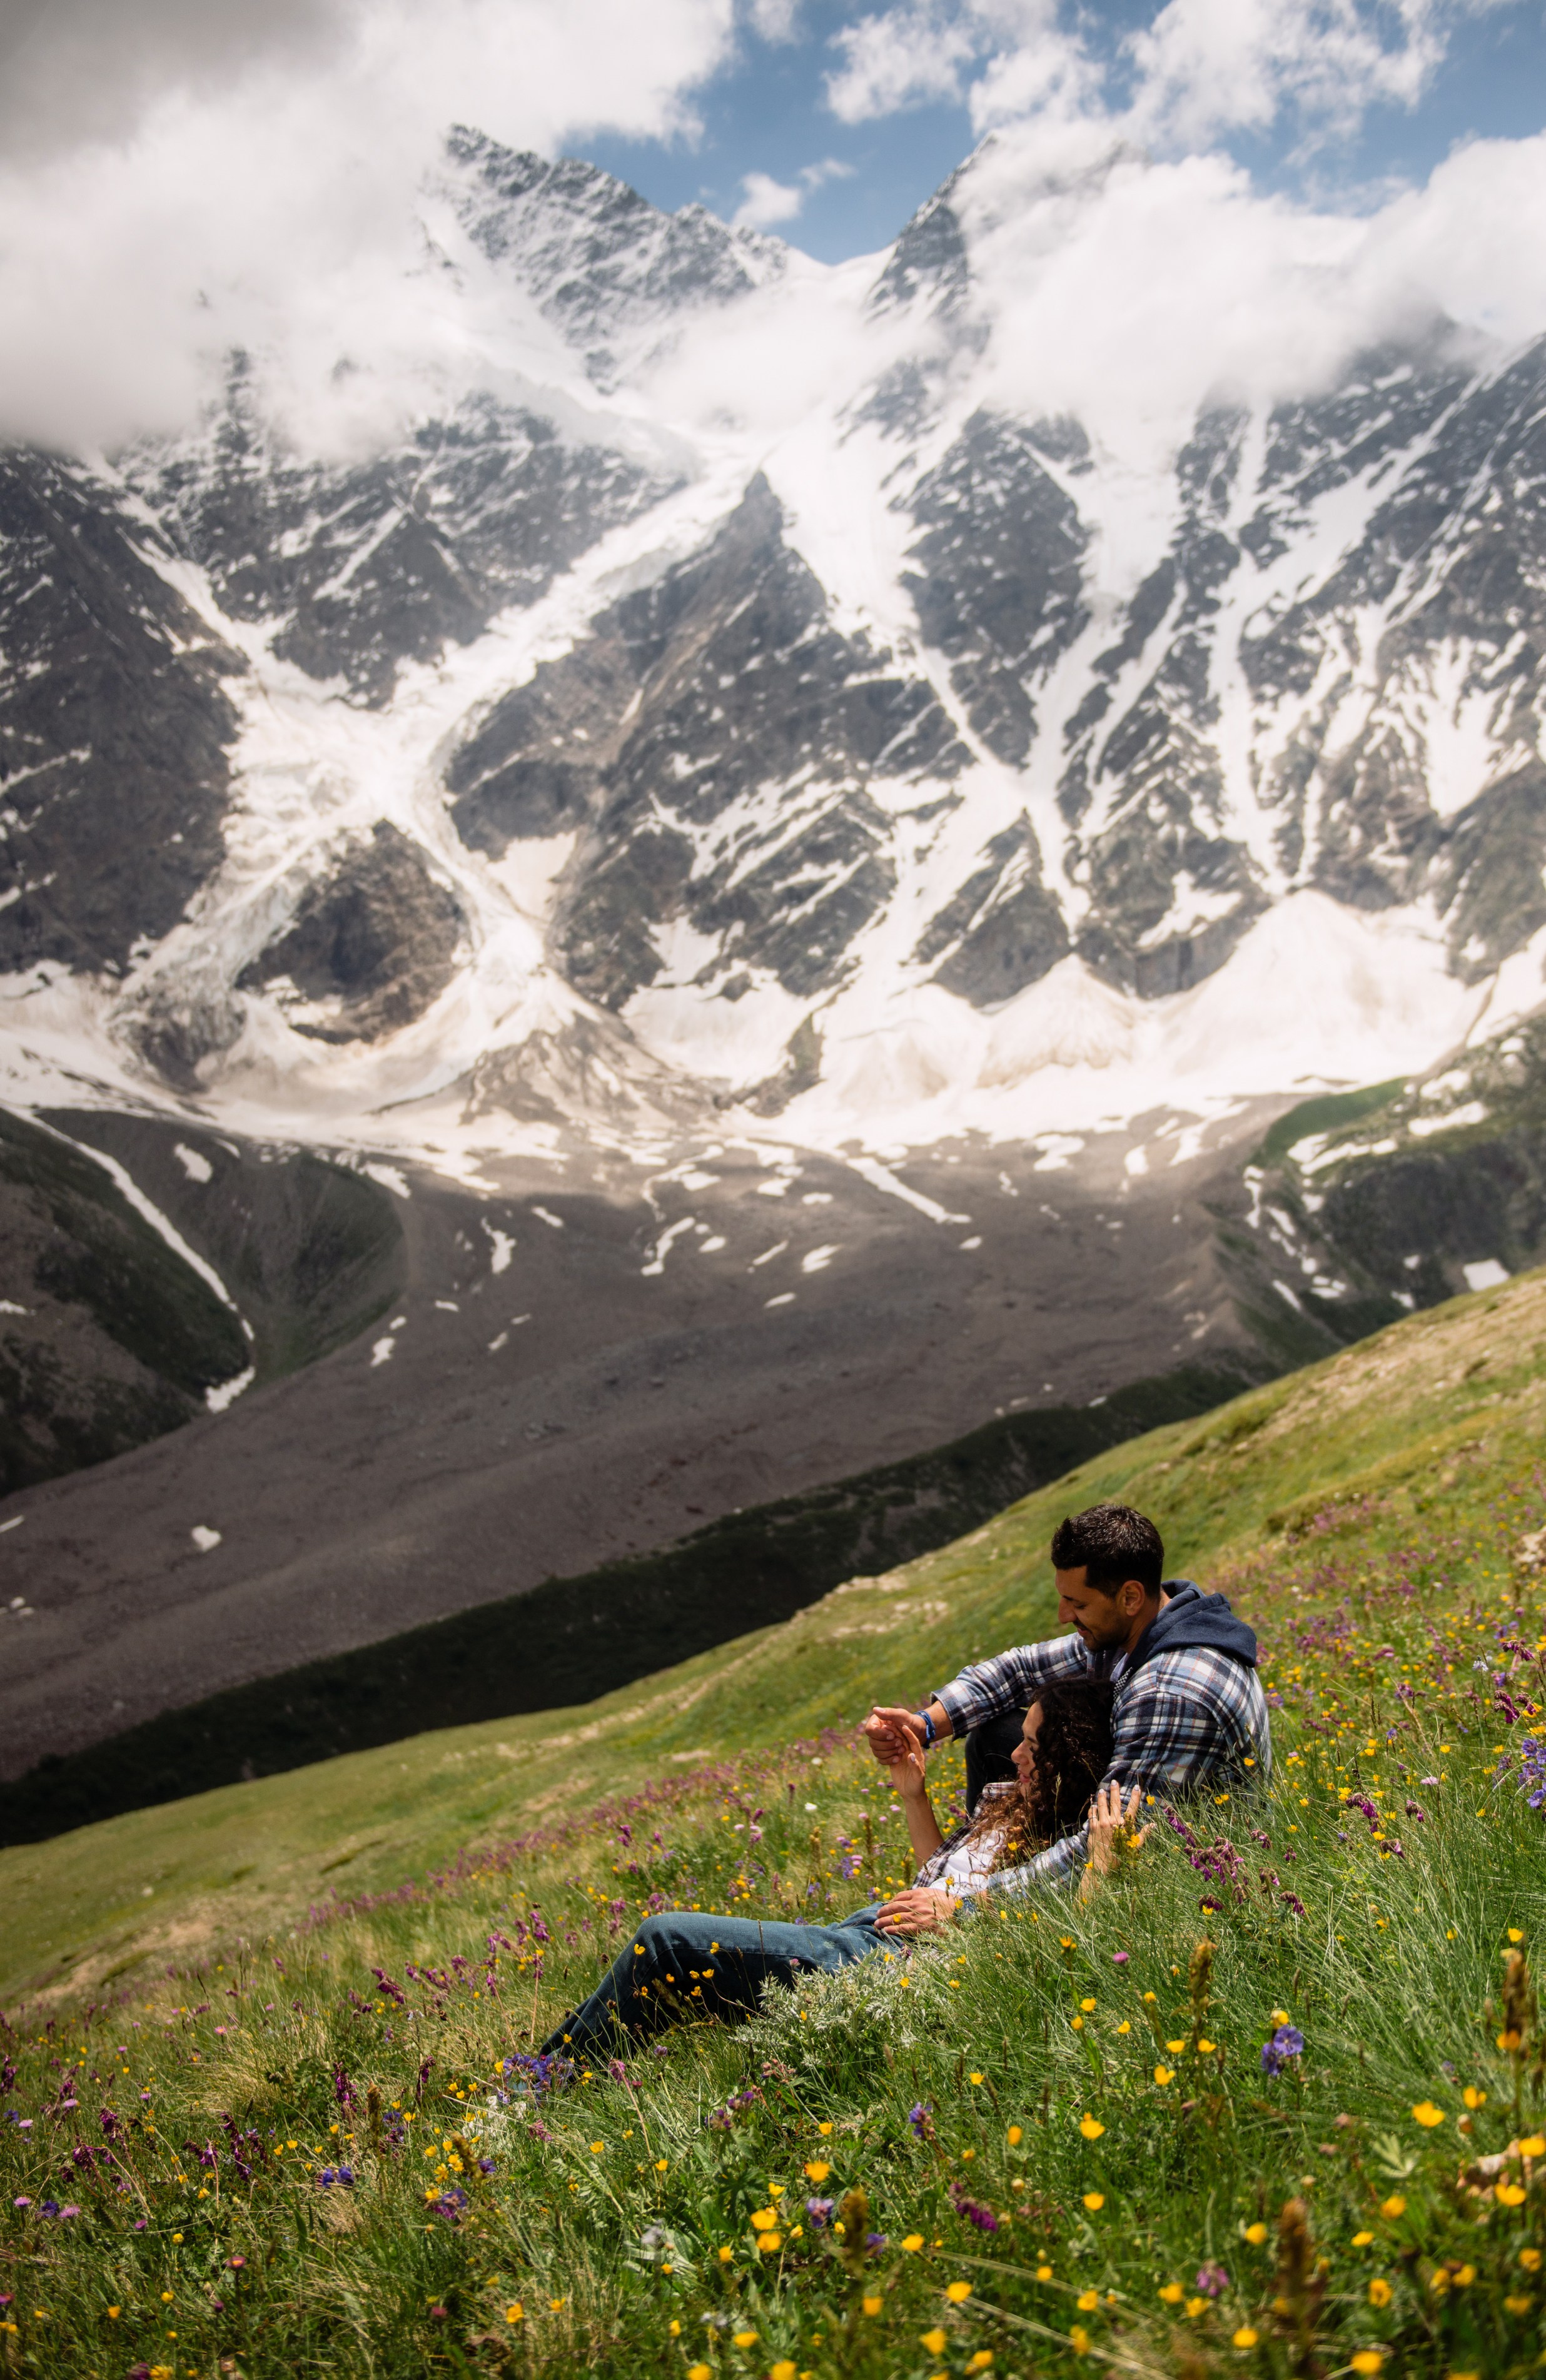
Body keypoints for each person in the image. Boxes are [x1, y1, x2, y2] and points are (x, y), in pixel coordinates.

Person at [537, 1676, 1124, 2064]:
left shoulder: (1064, 1845)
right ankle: (556, 2077)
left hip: (892, 1963)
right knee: (668, 1972)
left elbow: (1073, 1960)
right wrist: (914, 1798)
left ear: (1065, 1755)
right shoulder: (1009, 1801)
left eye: (1032, 1745)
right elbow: (938, 1882)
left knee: (666, 1942)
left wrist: (1101, 1863)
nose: (1016, 1754)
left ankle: (537, 2086)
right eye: (1019, 1741)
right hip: (870, 1932)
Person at [864, 1501, 1269, 1895]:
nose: (1062, 1615)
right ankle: (975, 1858)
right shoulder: (1142, 1629)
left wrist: (969, 1904)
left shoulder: (1169, 1692)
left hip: (1198, 1863)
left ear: (1130, 1597)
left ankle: (967, 1883)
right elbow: (1019, 1671)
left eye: (1077, 1603)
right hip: (1148, 1804)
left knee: (1020, 1757)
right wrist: (928, 1724)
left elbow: (1110, 1841)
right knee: (994, 1737)